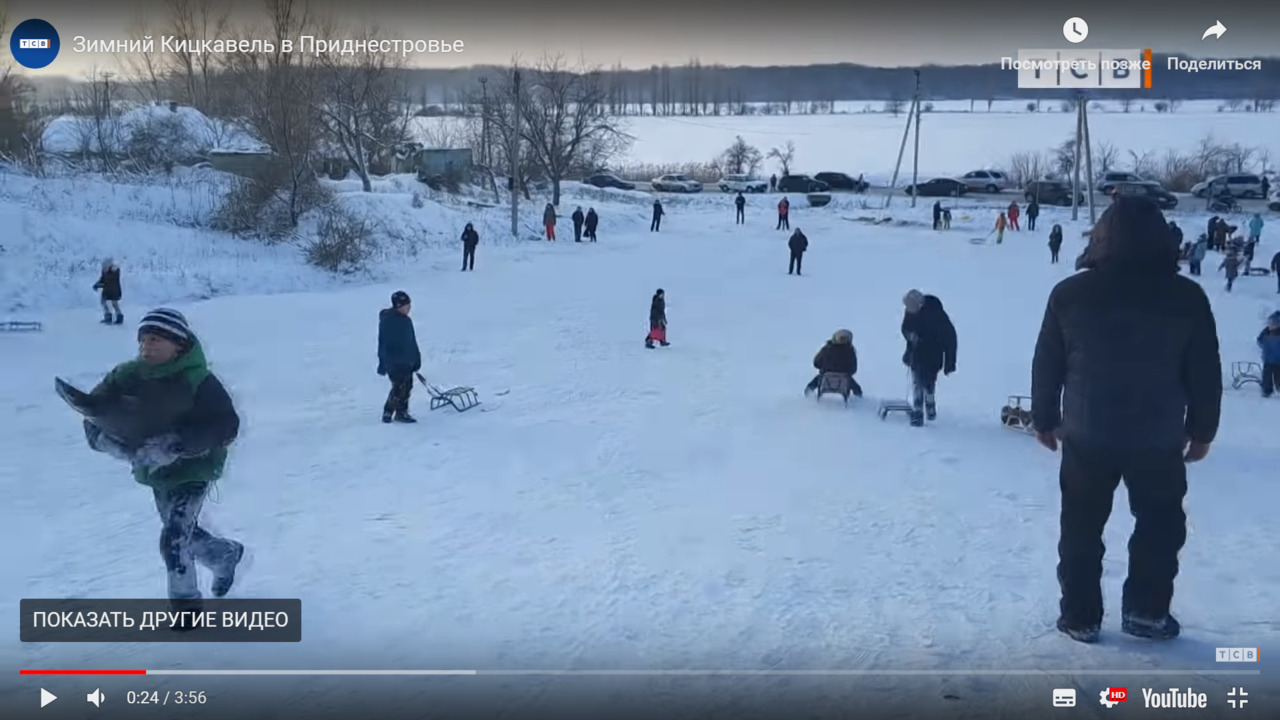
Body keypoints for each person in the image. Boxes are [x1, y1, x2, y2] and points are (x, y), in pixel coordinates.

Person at [1030, 196, 1222, 644]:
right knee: (1159, 525)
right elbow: (1205, 371)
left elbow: (1047, 361)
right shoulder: (1186, 297)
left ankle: (1080, 616)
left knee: (1080, 526)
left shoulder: (1070, 293)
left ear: (1101, 236)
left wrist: (1044, 418)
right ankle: (1147, 612)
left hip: (1087, 433)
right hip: (1158, 439)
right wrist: (1203, 431)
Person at [82, 308, 245, 615]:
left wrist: (178, 444)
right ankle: (224, 555)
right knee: (185, 535)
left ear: (178, 345)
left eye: (156, 340)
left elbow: (226, 425)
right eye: (143, 340)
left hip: (194, 467)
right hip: (154, 470)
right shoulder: (126, 376)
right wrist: (107, 442)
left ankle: (186, 606)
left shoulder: (199, 380)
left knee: (173, 537)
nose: (147, 346)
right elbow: (94, 411)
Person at [901, 289, 957, 427]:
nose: (909, 311)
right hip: (916, 352)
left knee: (928, 382)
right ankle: (918, 410)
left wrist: (950, 363)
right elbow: (905, 327)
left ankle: (930, 403)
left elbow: (950, 338)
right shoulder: (910, 310)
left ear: (920, 305)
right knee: (917, 381)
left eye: (912, 309)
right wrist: (909, 335)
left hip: (933, 354)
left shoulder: (936, 313)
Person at [377, 291, 421, 423]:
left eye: (409, 306)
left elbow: (411, 342)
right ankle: (389, 411)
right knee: (398, 387)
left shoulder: (406, 321)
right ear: (398, 306)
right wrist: (383, 362)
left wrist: (416, 359)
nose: (409, 309)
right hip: (394, 361)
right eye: (406, 306)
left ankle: (401, 412)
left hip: (406, 361)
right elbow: (383, 343)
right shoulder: (388, 321)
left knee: (407, 386)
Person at [804, 329, 863, 397]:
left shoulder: (826, 349)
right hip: (844, 380)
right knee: (857, 389)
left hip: (825, 378)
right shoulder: (850, 352)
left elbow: (816, 363)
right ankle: (859, 402)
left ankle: (807, 398)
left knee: (813, 383)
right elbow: (853, 369)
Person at [94, 258, 124, 325]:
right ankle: (112, 316)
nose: (104, 268)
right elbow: (103, 279)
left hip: (113, 290)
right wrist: (97, 284)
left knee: (112, 303)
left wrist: (100, 284)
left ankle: (115, 317)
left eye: (105, 266)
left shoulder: (114, 272)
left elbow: (107, 281)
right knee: (106, 302)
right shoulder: (107, 271)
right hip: (109, 290)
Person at [1257, 312, 1280, 398]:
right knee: (1267, 377)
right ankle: (1266, 391)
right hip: (1268, 360)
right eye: (1270, 323)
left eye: (1274, 323)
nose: (1271, 325)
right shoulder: (1265, 332)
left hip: (1278, 361)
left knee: (1278, 376)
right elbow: (1259, 340)